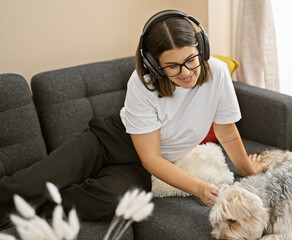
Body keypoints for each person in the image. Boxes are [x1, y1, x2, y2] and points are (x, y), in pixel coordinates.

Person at [0, 9, 264, 230]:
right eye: (172, 66)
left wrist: (247, 171)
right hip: (109, 141)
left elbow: (226, 133)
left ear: (202, 48)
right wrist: (199, 188)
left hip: (141, 164)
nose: (186, 73)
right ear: (153, 64)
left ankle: (34, 206)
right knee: (30, 184)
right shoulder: (143, 83)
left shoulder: (217, 73)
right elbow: (152, 158)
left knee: (111, 203)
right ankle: (27, 195)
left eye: (191, 59)